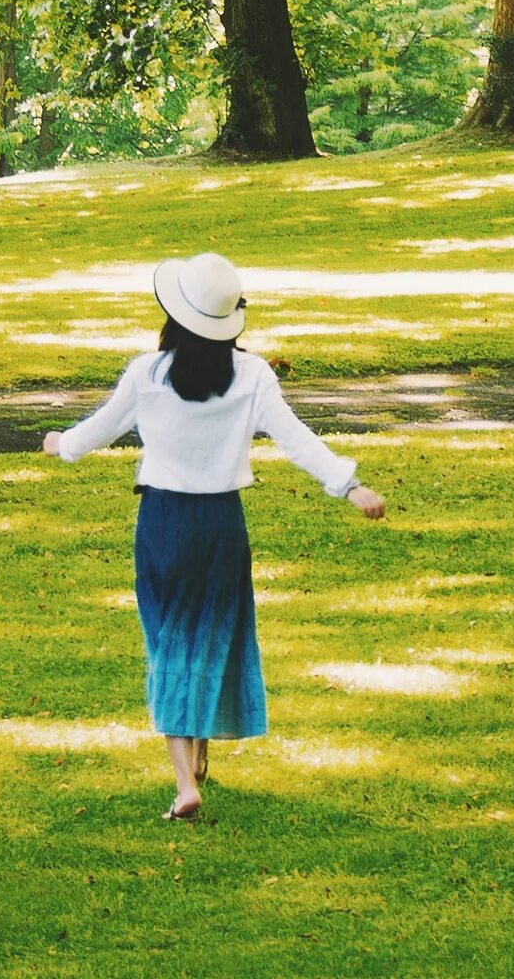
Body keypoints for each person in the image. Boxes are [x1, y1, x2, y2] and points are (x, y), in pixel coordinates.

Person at [47, 251, 386, 820]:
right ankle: (198, 762)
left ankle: (186, 782)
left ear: (176, 317)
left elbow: (95, 431)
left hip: (165, 525)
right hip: (223, 526)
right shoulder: (252, 375)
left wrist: (60, 442)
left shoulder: (147, 373)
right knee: (211, 636)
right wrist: (350, 486)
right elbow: (297, 438)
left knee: (170, 641)